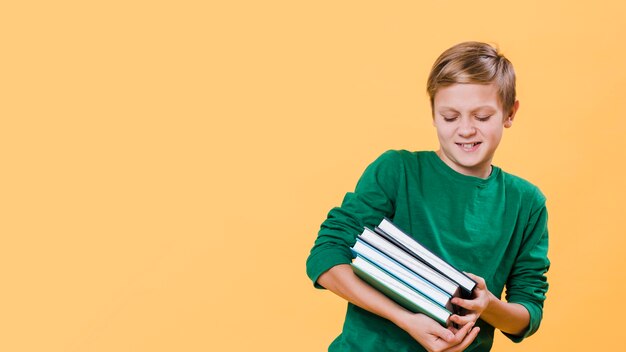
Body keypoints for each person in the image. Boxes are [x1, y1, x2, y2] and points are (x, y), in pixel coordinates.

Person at [305, 41, 550, 352]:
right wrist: (405, 318)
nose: (465, 130)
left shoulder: (526, 203)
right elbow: (326, 257)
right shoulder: (397, 171)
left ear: (510, 113)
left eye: (482, 116)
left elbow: (527, 313)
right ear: (433, 113)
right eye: (450, 117)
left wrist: (487, 305)